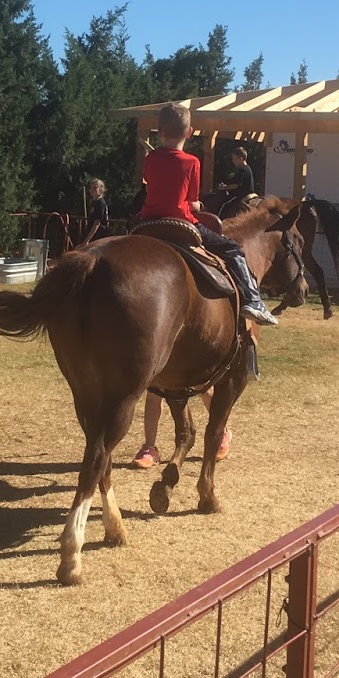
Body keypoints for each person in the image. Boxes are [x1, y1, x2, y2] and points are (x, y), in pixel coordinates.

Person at [129, 103, 271, 467]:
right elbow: (191, 203)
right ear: (189, 134)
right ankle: (253, 300)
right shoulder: (192, 162)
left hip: (147, 225)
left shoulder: (151, 160)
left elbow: (151, 188)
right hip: (181, 225)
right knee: (232, 250)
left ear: (159, 132)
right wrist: (194, 204)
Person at [216, 145, 255, 218]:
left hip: (241, 195)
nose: (233, 161)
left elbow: (236, 185)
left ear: (241, 158)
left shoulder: (242, 170)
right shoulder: (248, 168)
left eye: (234, 159)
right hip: (248, 193)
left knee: (224, 204)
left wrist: (223, 188)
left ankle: (219, 219)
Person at [77, 178, 111, 248]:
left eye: (95, 188)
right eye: (91, 188)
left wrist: (86, 241)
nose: (92, 190)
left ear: (101, 189)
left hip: (98, 236)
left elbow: (97, 223)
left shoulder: (100, 203)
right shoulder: (95, 203)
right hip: (93, 236)